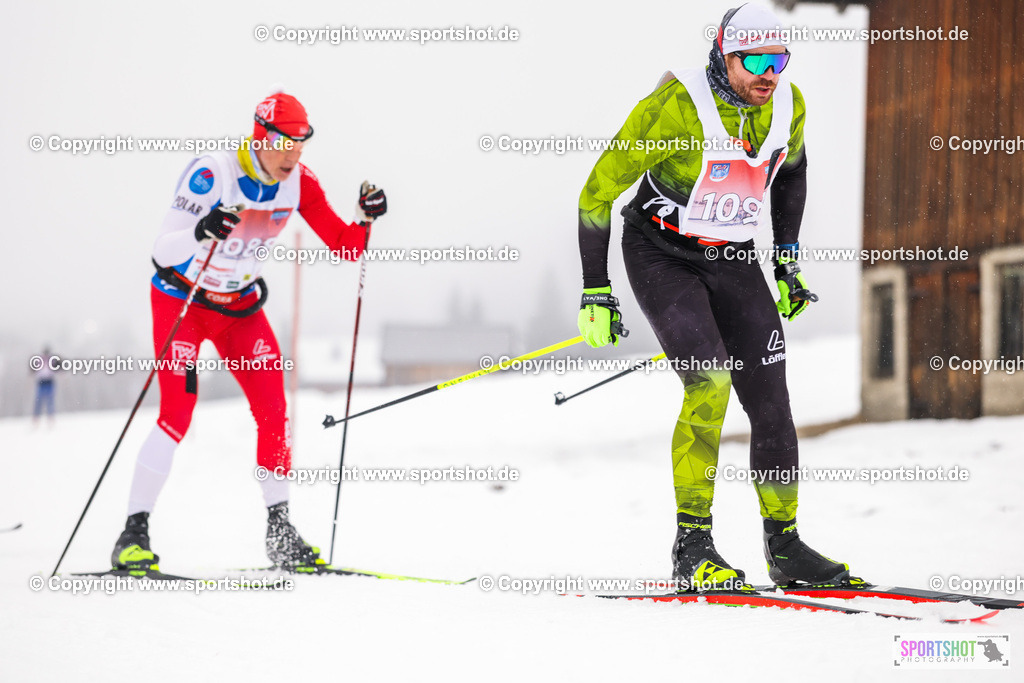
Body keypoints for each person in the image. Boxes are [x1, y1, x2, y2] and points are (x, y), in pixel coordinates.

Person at [575, 4, 857, 591]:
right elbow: (594, 196)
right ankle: (692, 547)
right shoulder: (674, 109)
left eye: (778, 60)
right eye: (753, 60)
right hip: (660, 253)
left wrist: (786, 260)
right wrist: (596, 290)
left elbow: (794, 172)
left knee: (772, 399)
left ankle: (785, 547)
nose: (768, 73)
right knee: (709, 381)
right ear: (722, 56)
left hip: (731, 257)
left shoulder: (787, 106)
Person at [111, 89, 388, 572]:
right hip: (185, 301)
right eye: (285, 144)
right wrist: (201, 230)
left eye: (301, 146)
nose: (293, 156)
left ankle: (279, 531)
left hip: (240, 309)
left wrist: (366, 218)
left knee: (274, 409)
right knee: (178, 411)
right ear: (261, 135)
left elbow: (345, 246)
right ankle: (133, 533)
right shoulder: (212, 174)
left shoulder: (299, 181)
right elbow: (162, 250)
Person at [32, 347, 57, 424]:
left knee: (49, 400)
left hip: (49, 381)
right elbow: (34, 370)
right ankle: (36, 418)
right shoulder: (40, 360)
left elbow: (56, 369)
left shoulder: (51, 360)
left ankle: (50, 417)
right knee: (39, 400)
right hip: (42, 381)